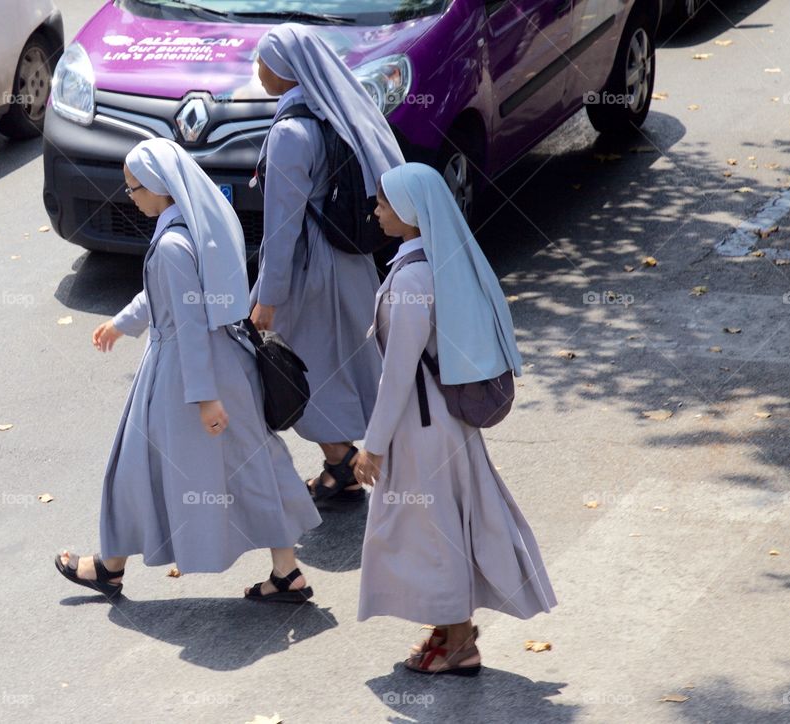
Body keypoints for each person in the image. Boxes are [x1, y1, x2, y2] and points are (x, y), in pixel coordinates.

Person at [55, 138, 321, 603]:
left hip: (184, 371)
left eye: (135, 188)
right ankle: (287, 572)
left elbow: (190, 325)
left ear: (158, 186)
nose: (130, 197)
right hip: (226, 363)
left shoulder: (174, 244)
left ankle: (110, 566)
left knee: (135, 464)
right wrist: (122, 324)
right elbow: (173, 303)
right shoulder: (201, 225)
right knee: (256, 465)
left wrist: (203, 397)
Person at [353, 163, 557, 675]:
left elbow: (398, 372)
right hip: (441, 423)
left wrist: (372, 445)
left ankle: (460, 640)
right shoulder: (433, 260)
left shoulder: (414, 276)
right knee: (440, 525)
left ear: (409, 212)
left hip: (422, 430)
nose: (375, 212)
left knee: (431, 528)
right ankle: (450, 629)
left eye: (382, 204)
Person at [252, 23, 405, 508]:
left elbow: (282, 228)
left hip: (310, 273)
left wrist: (267, 298)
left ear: (284, 70)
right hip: (350, 264)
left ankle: (351, 464)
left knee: (298, 371)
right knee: (353, 365)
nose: (257, 71)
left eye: (262, 63)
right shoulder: (334, 111)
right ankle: (348, 466)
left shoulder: (291, 134)